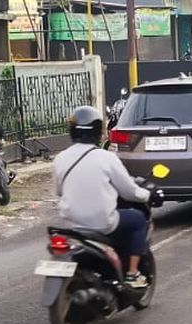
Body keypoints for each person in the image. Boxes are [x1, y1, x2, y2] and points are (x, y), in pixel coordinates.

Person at [53, 106, 153, 289]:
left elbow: (59, 191)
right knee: (138, 220)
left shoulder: (60, 158)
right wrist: (146, 194)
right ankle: (132, 274)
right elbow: (129, 191)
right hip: (102, 223)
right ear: (99, 132)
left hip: (72, 224)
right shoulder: (106, 158)